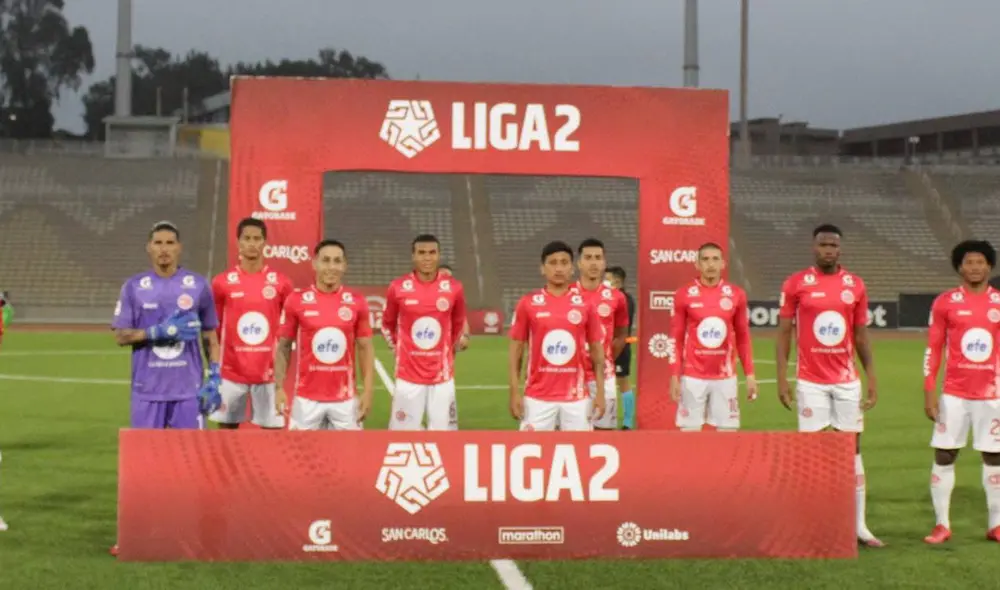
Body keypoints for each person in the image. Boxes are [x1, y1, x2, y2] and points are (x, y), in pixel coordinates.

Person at [109, 221, 221, 556]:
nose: (164, 248)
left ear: (179, 247)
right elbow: (120, 335)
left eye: (170, 242)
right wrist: (157, 332)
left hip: (188, 391)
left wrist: (215, 375)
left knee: (193, 466)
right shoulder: (134, 287)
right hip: (148, 390)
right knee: (142, 469)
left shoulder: (198, 286)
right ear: (148, 248)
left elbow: (211, 336)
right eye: (157, 242)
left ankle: (195, 532)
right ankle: (135, 533)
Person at [776, 223, 882, 548]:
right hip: (810, 382)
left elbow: (861, 336)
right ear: (814, 247)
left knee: (853, 451)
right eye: (823, 244)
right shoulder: (796, 283)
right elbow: (783, 332)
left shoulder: (855, 285)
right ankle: (812, 523)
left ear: (841, 249)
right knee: (811, 453)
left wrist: (872, 376)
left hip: (847, 381)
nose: (828, 250)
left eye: (833, 245)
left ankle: (859, 526)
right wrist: (782, 377)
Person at [923, 240, 1000, 544]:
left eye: (980, 262)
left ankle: (996, 525)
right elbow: (933, 349)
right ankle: (942, 524)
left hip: (992, 395)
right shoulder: (945, 302)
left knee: (994, 456)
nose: (975, 268)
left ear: (990, 266)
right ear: (959, 267)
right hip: (954, 393)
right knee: (944, 453)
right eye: (969, 262)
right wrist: (930, 391)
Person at [273, 239, 374, 430]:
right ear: (315, 263)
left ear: (345, 265)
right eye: (326, 260)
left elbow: (365, 348)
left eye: (337, 261)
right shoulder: (296, 300)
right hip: (306, 400)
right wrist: (278, 387)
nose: (331, 267)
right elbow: (283, 347)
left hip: (345, 400)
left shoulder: (357, 301)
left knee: (348, 458)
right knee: (301, 458)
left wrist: (368, 391)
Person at [508, 240, 606, 431]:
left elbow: (596, 351)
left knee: (580, 456)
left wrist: (600, 392)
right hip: (537, 397)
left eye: (564, 262)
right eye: (553, 263)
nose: (559, 268)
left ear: (572, 268)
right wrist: (514, 392)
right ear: (542, 269)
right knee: (532, 453)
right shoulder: (528, 303)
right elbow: (516, 351)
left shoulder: (586, 304)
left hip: (576, 398)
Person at [209, 218, 294, 429]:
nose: (252, 243)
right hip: (231, 372)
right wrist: (214, 369)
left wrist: (282, 375)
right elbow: (214, 329)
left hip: (268, 374)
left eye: (257, 238)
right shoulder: (222, 282)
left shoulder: (281, 283)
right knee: (226, 434)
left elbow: (288, 333)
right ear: (238, 242)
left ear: (265, 243)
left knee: (272, 435)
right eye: (247, 238)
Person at [382, 234, 467, 430]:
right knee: (402, 437)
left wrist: (447, 352)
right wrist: (399, 350)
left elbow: (458, 323)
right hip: (408, 376)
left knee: (444, 438)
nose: (427, 258)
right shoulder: (398, 287)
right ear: (413, 256)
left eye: (432, 253)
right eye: (421, 253)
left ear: (439, 255)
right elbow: (387, 324)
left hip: (442, 377)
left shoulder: (454, 288)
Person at [668, 243, 757, 431]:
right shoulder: (684, 294)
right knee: (690, 435)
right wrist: (675, 374)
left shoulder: (736, 294)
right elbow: (675, 338)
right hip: (692, 377)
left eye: (715, 259)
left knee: (727, 435)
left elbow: (743, 336)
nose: (710, 264)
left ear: (723, 264)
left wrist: (750, 374)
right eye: (705, 259)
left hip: (725, 377)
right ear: (697, 264)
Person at [570, 238, 628, 430]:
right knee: (570, 434)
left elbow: (621, 335)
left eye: (598, 258)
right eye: (588, 258)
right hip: (571, 375)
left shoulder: (616, 297)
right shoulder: (567, 293)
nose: (593, 262)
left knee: (604, 433)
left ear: (604, 263)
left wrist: (605, 358)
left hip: (604, 375)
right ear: (579, 263)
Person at [605, 267, 637, 429]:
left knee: (622, 381)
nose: (604, 282)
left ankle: (627, 421)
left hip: (620, 347)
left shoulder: (625, 299)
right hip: (604, 348)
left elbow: (623, 326)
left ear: (617, 281)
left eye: (607, 279)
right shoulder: (607, 297)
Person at [438, 264, 471, 350]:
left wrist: (466, 336)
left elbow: (462, 317)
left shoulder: (454, 295)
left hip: (448, 343)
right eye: (442, 275)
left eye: (448, 276)